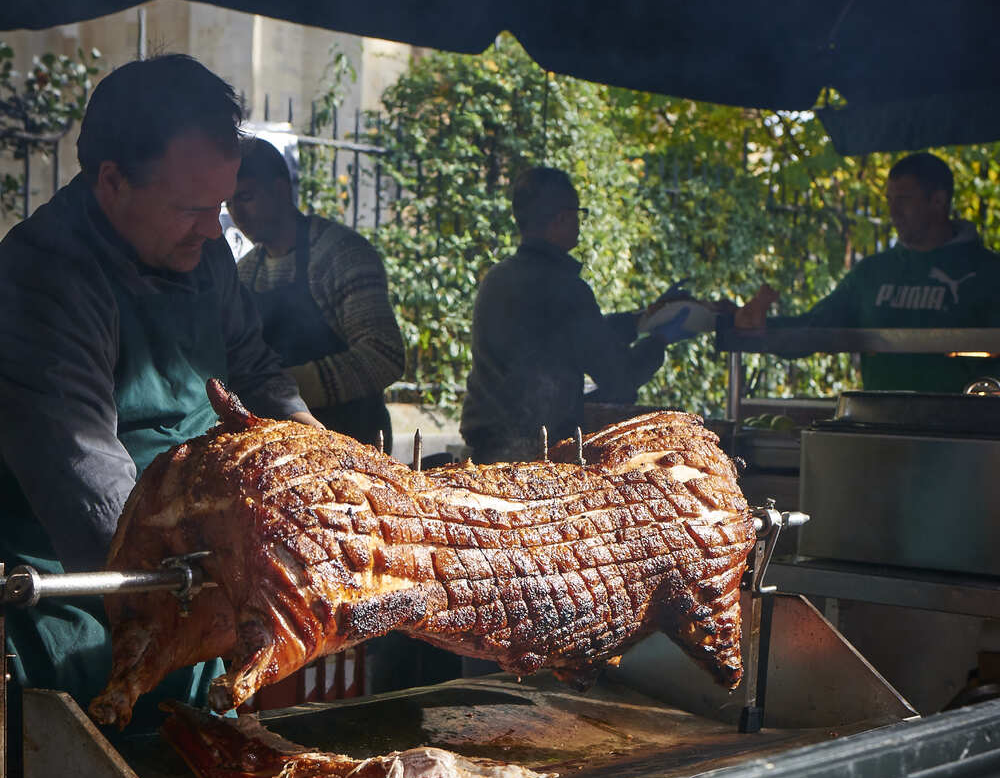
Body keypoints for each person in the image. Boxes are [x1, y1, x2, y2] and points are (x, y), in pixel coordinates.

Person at [0, 54, 322, 722]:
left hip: (198, 578)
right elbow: (84, 474)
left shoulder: (202, 252)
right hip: (85, 601)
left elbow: (253, 368)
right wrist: (215, 579)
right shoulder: (43, 278)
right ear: (112, 181)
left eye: (221, 207)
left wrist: (324, 464)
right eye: (192, 209)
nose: (214, 230)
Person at [460, 166, 691, 463]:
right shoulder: (565, 288)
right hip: (539, 457)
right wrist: (659, 340)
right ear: (561, 218)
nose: (580, 223)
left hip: (484, 452)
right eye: (578, 214)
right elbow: (619, 378)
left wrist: (638, 321)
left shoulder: (497, 278)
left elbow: (563, 338)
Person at [736, 152, 1000, 392]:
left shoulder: (988, 273)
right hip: (881, 422)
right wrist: (765, 327)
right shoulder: (872, 273)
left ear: (938, 201)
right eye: (890, 201)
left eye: (904, 200)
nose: (893, 212)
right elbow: (817, 326)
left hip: (965, 425)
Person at [228, 138, 405, 446]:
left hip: (355, 442)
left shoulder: (342, 254)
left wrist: (277, 390)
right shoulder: (245, 271)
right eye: (229, 203)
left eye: (246, 197)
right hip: (283, 445)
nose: (237, 214)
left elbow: (383, 355)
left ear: (281, 190)